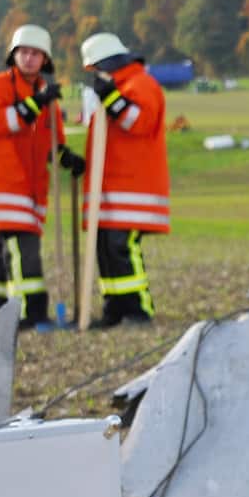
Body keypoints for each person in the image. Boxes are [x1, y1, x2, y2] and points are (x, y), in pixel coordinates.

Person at [0, 24, 84, 328]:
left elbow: (51, 142)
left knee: (5, 252)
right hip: (5, 186)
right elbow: (2, 122)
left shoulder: (45, 97)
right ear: (13, 55)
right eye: (24, 53)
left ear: (45, 59)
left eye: (36, 54)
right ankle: (31, 315)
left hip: (33, 189)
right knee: (25, 251)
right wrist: (39, 101)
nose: (29, 59)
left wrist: (66, 158)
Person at [80, 32, 169, 326]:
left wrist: (113, 99)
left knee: (121, 247)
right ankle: (115, 309)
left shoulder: (141, 84)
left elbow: (139, 123)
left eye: (96, 68)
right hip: (111, 188)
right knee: (106, 249)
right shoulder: (119, 86)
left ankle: (137, 310)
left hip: (133, 187)